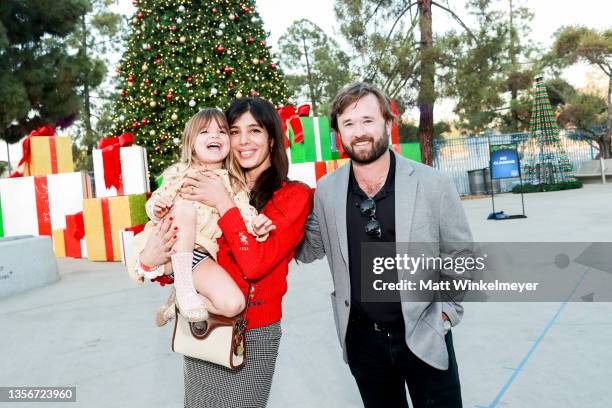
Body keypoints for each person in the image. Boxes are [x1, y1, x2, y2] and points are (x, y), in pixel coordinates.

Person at [296, 82, 474, 408]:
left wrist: (446, 313)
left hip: (425, 332)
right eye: (348, 124)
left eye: (367, 120)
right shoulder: (326, 190)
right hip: (364, 342)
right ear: (338, 135)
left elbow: (461, 255)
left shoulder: (432, 183)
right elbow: (309, 250)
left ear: (388, 124)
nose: (359, 132)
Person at [137, 97, 313, 407]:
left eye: (255, 130)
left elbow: (255, 264)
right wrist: (149, 261)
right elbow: (188, 254)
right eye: (234, 131)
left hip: (254, 333)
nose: (243, 141)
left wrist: (223, 202)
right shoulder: (207, 180)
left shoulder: (292, 195)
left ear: (272, 139)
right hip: (203, 324)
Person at [130, 108, 273, 323]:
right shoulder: (179, 172)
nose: (214, 136)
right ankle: (185, 289)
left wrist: (256, 226)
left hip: (200, 256)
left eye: (222, 131)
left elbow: (244, 213)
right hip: (169, 247)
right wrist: (158, 207)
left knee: (234, 304)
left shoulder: (233, 183)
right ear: (191, 144)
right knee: (185, 209)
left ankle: (182, 299)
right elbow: (155, 202)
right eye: (205, 132)